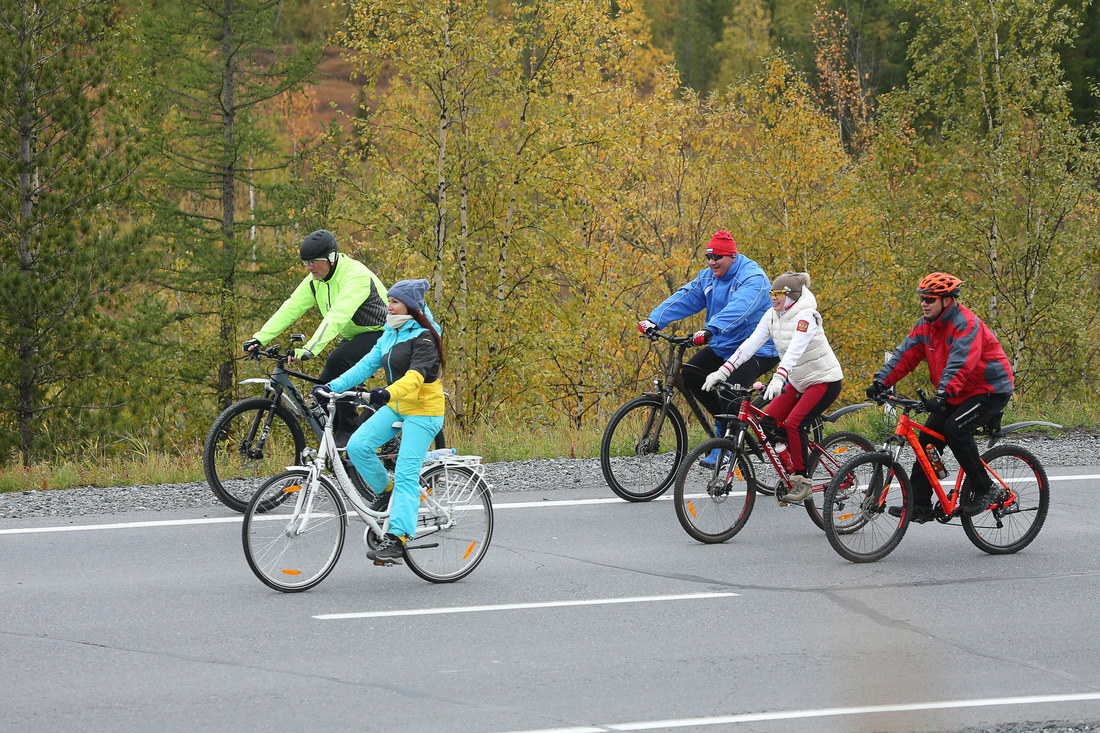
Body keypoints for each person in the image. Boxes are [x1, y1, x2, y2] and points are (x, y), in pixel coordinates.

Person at [314, 278, 445, 565]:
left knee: (407, 473)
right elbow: (364, 366)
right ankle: (386, 491)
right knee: (358, 445)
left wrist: (385, 393)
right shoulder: (389, 334)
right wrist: (330, 387)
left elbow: (415, 377)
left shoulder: (425, 336)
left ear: (409, 307)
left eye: (394, 301)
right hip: (397, 405)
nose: (388, 306)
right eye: (388, 300)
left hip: (423, 410)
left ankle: (396, 538)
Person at [867, 272, 1015, 521]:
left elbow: (961, 363)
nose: (924, 303)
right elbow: (905, 354)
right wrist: (882, 381)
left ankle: (986, 489)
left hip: (989, 389)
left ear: (947, 301)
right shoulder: (926, 325)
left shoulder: (965, 324)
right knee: (927, 441)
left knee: (956, 429)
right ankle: (921, 504)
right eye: (922, 298)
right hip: (958, 392)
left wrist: (943, 393)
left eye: (930, 299)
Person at [637, 230, 779, 464]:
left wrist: (711, 328)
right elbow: (685, 297)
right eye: (708, 257)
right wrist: (655, 319)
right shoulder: (709, 278)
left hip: (757, 349)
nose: (712, 262)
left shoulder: (753, 278)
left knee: (729, 391)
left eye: (718, 257)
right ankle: (725, 425)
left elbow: (740, 307)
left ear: (732, 256)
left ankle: (727, 445)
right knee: (691, 376)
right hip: (724, 345)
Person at [702, 272, 844, 502]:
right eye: (772, 293)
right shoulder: (772, 315)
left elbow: (795, 351)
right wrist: (723, 371)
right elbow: (749, 346)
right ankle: (797, 459)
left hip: (824, 380)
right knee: (767, 421)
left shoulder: (807, 317)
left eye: (779, 294)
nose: (774, 298)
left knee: (794, 423)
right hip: (798, 381)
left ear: (792, 296)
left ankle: (801, 479)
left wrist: (779, 378)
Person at [243, 229, 388, 444]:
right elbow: (292, 307)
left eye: (314, 262)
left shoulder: (355, 275)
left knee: (337, 361)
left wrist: (309, 349)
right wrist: (260, 338)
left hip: (383, 334)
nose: (309, 268)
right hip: (355, 335)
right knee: (324, 389)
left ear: (331, 258)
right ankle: (348, 442)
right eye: (306, 263)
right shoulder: (316, 280)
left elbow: (337, 315)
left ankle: (347, 432)